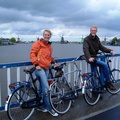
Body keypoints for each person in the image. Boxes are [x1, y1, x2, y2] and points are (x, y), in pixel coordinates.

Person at [30, 30, 58, 116]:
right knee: (46, 88)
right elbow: (32, 54)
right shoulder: (38, 43)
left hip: (46, 68)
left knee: (42, 88)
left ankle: (40, 105)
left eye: (48, 35)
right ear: (43, 35)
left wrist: (53, 62)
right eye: (45, 35)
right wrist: (36, 64)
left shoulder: (49, 46)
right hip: (39, 69)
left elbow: (48, 57)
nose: (47, 36)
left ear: (50, 36)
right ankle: (49, 108)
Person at [83, 25, 115, 90]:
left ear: (96, 31)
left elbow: (101, 47)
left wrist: (110, 51)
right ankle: (108, 82)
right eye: (92, 30)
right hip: (91, 58)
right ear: (90, 31)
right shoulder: (86, 39)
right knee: (104, 65)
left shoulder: (97, 39)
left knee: (94, 73)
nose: (93, 31)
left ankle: (96, 89)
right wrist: (89, 57)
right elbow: (85, 49)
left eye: (94, 30)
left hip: (95, 58)